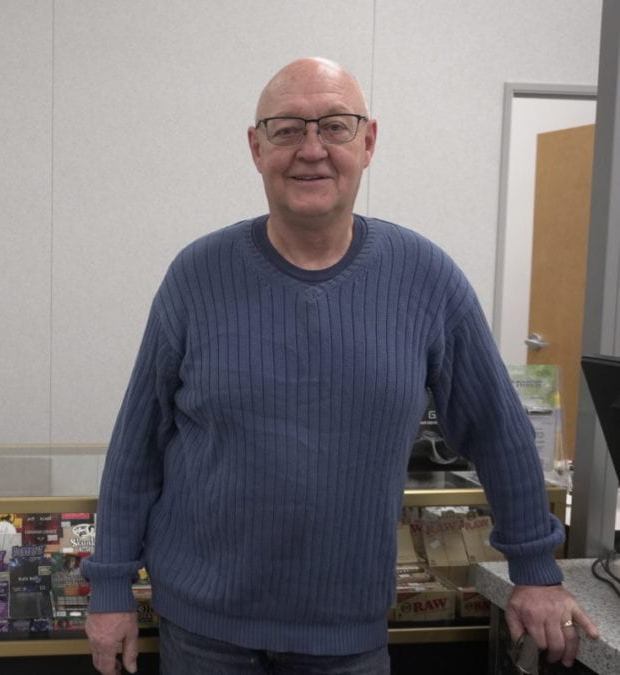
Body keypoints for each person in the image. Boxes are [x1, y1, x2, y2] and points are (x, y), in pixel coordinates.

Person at [80, 57, 599, 675]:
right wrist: (108, 588)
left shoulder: (427, 278)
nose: (312, 149)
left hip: (346, 637)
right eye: (287, 128)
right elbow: (137, 442)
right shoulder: (196, 276)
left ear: (369, 141)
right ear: (255, 147)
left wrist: (535, 572)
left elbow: (499, 430)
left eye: (335, 126)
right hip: (202, 630)